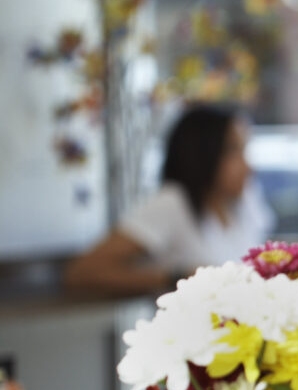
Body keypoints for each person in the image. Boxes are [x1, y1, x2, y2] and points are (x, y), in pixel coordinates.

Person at [64, 103, 271, 295]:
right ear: (203, 154)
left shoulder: (245, 203)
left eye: (244, 150)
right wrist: (176, 277)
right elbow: (82, 273)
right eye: (233, 151)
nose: (247, 165)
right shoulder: (173, 203)